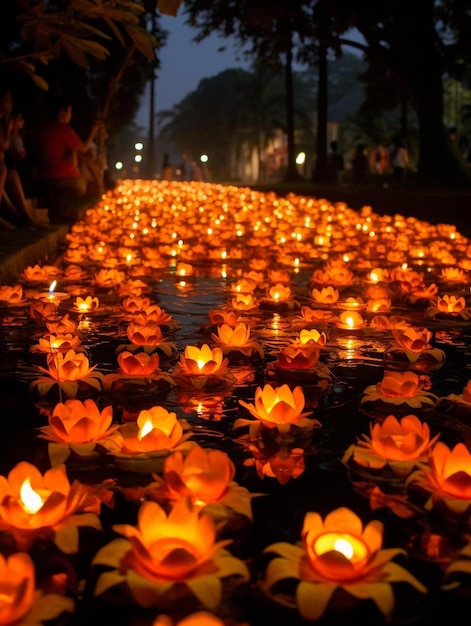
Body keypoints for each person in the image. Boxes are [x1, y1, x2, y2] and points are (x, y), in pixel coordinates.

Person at [33, 96, 102, 220]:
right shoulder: (64, 129)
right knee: (82, 185)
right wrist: (93, 132)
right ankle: (67, 211)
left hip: (41, 177)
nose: (70, 115)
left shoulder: (42, 128)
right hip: (61, 177)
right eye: (69, 111)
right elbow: (84, 148)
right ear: (62, 112)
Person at [0, 88, 38, 229]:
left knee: (12, 174)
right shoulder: (6, 125)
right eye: (7, 99)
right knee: (3, 171)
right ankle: (17, 217)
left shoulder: (4, 123)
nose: (11, 103)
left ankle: (25, 217)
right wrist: (9, 130)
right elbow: (4, 146)